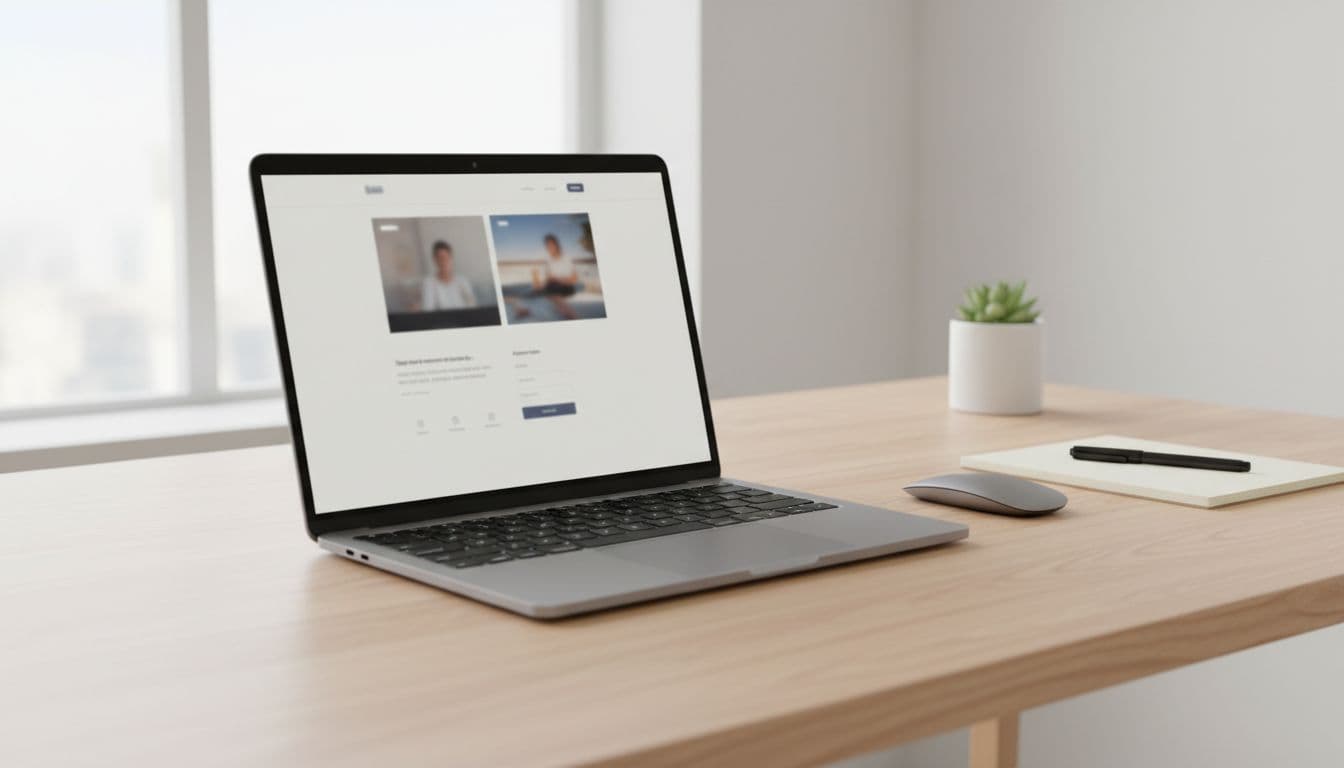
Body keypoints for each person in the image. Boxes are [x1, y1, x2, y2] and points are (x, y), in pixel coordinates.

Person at [418, 240, 477, 311]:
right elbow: (427, 309)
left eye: (446, 258)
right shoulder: (428, 283)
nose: (443, 262)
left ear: (451, 258)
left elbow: (472, 306)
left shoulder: (462, 281)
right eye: (440, 258)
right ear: (434, 259)